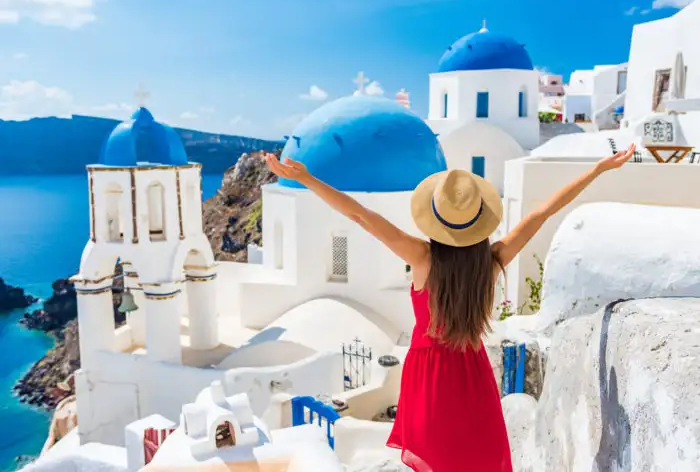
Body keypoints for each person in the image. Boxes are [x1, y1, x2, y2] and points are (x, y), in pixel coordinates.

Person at [265, 143, 636, 471]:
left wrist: (307, 179)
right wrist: (596, 171)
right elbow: (540, 214)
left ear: (437, 219)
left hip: (429, 376)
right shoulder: (491, 261)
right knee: (476, 459)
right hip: (472, 373)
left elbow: (360, 216)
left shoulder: (422, 257)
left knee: (438, 460)